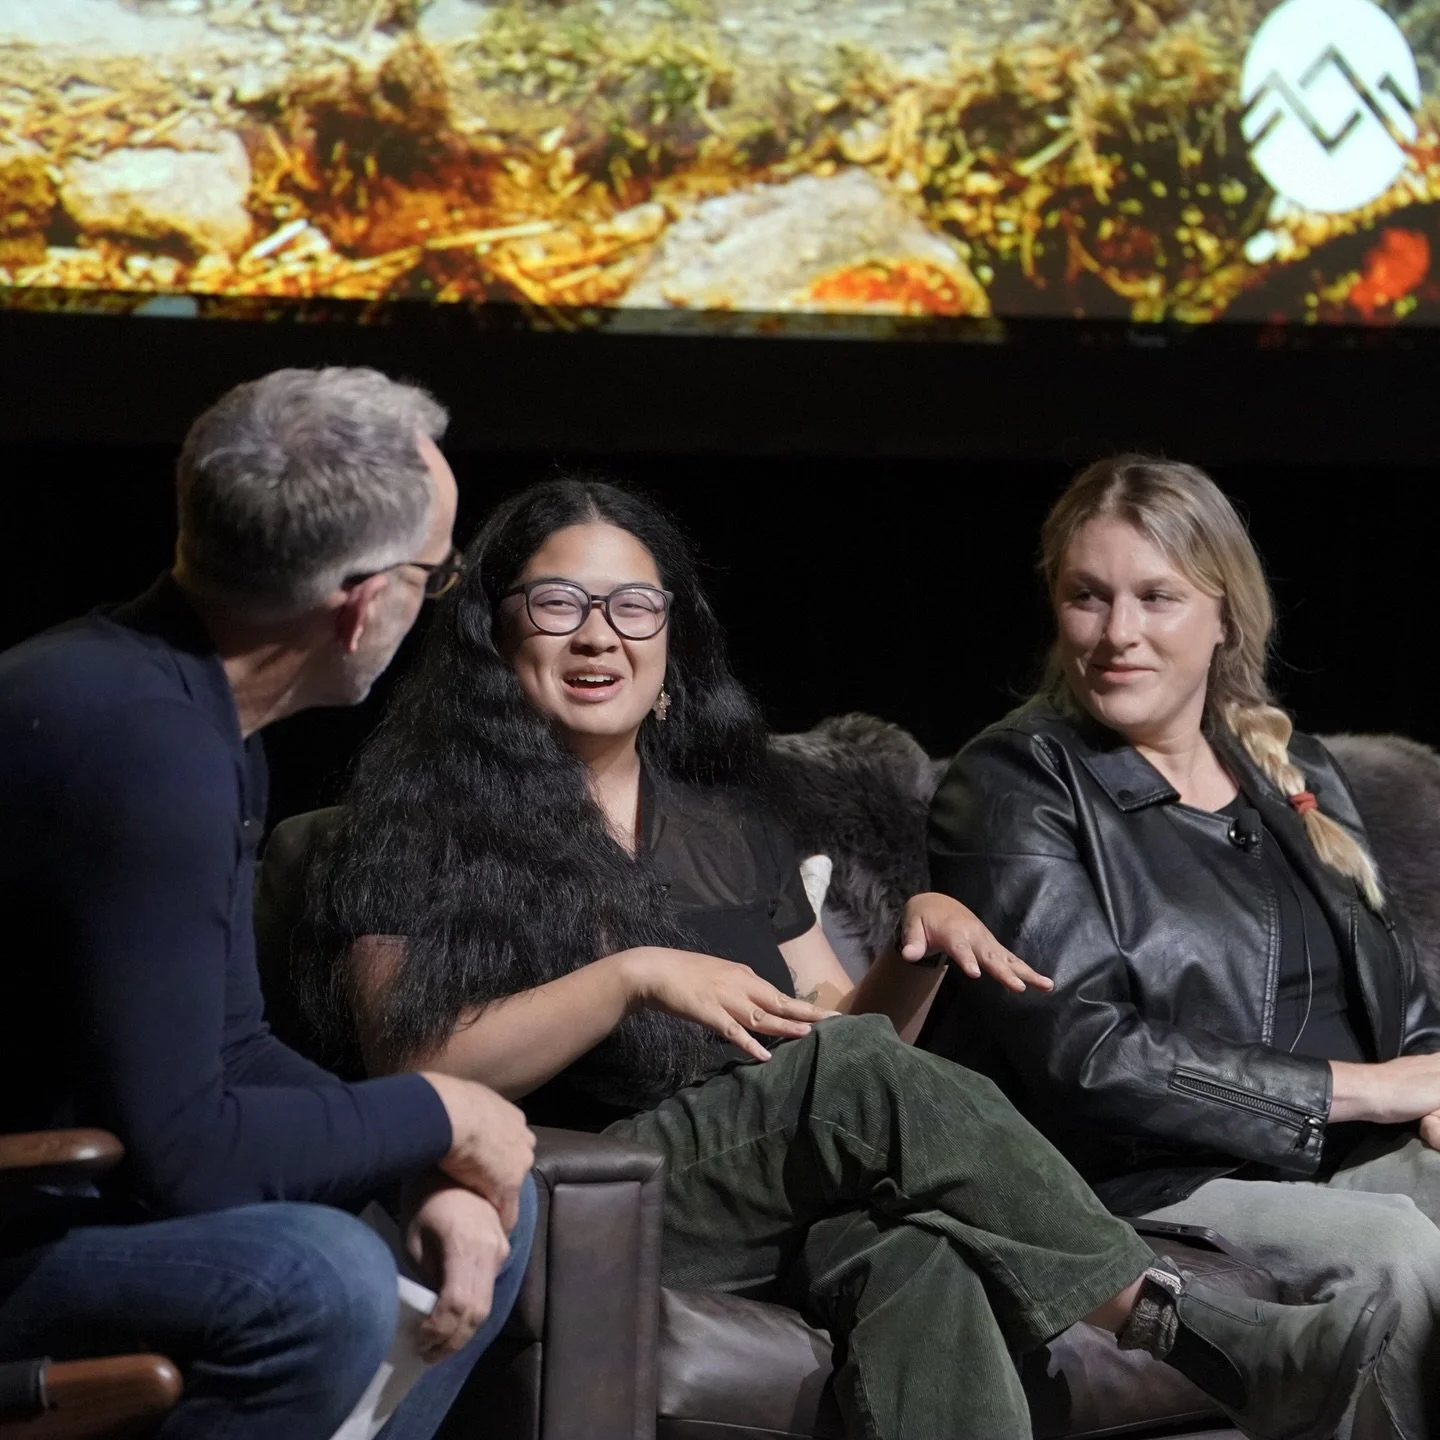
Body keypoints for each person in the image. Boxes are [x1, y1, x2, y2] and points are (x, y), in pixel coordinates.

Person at [301, 474, 1396, 1440]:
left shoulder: (730, 824)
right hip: (586, 1193)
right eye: (559, 603)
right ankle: (1192, 1328)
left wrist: (921, 945)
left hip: (774, 1182)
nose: (601, 636)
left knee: (929, 1259)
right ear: (499, 634)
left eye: (634, 605)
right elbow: (414, 1071)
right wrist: (627, 975)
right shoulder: (414, 820)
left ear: (672, 637)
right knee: (850, 1083)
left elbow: (843, 1031)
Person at [0, 368, 537, 1440]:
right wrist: (443, 1110)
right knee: (318, 1276)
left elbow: (232, 1047)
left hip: (55, 1192)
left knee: (486, 1205)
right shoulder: (139, 751)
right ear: (362, 602)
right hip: (22, 1212)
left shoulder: (190, 715)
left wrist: (426, 1159)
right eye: (436, 576)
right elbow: (187, 1151)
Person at [922, 454, 1440, 1440]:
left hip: (1335, 1153)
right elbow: (1090, 1056)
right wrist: (1369, 1092)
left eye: (1156, 598)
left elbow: (1407, 1012)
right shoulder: (1013, 780)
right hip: (1142, 1174)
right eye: (1088, 597)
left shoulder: (1301, 770)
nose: (1119, 633)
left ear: (1223, 616)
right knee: (1402, 1257)